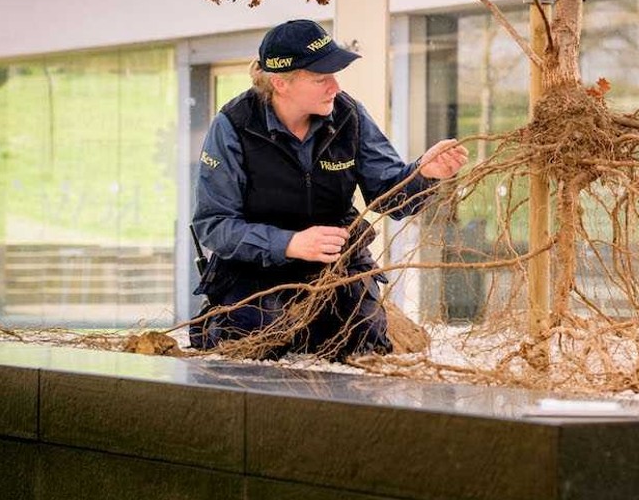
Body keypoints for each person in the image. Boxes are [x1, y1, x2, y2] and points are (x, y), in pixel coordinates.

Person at [190, 19, 468, 359]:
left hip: (337, 267)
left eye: (335, 76)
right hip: (252, 270)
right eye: (321, 78)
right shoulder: (233, 126)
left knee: (363, 341)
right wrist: (290, 243)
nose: (334, 87)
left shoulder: (348, 115)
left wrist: (424, 174)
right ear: (281, 83)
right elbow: (214, 225)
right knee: (252, 339)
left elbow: (391, 198)